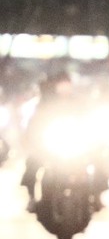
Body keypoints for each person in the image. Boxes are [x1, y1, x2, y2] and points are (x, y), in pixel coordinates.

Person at [20, 71, 78, 212]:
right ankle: (31, 197)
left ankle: (97, 194)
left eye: (67, 84)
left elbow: (91, 121)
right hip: (50, 145)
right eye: (61, 84)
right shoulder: (45, 103)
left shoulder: (78, 102)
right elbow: (34, 124)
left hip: (75, 143)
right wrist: (32, 139)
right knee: (33, 163)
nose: (64, 87)